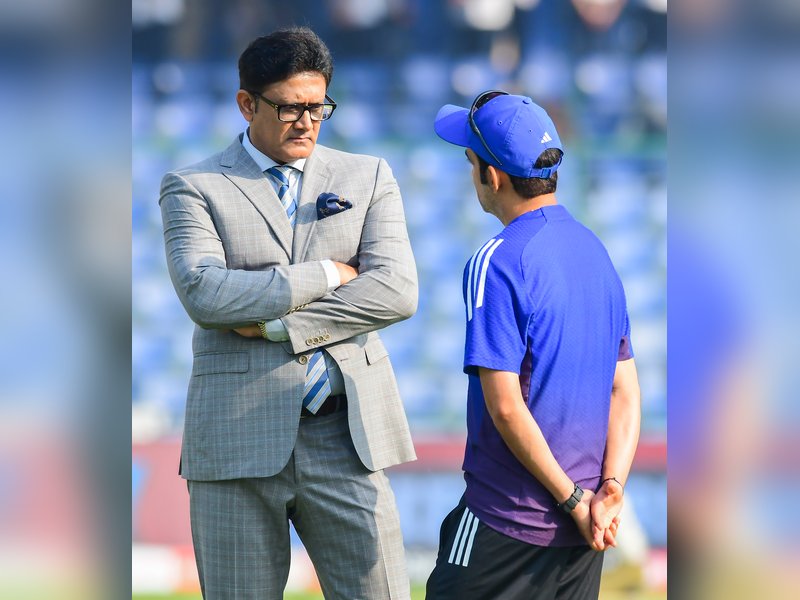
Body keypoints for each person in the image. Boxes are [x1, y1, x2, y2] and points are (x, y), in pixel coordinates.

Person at [159, 27, 418, 600]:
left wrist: (280, 325)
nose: (306, 122)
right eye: (289, 108)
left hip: (346, 437)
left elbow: (396, 291)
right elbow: (205, 295)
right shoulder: (193, 186)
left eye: (317, 107)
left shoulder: (369, 175)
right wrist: (327, 274)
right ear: (246, 104)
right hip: (236, 439)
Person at [425, 91, 641, 599]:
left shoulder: (497, 260)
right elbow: (626, 391)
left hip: (505, 517)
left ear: (492, 176)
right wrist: (608, 490)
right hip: (582, 534)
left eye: (471, 162)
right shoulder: (596, 251)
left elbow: (505, 407)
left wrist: (571, 500)